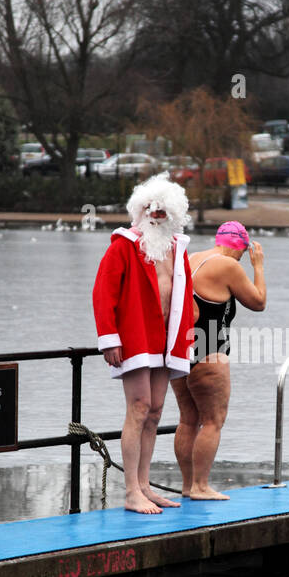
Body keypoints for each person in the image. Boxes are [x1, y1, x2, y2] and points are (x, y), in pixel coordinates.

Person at [93, 174, 195, 514]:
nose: (154, 215)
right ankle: (131, 491)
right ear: (139, 210)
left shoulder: (178, 248)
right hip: (134, 339)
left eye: (162, 211)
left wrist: (186, 340)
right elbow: (103, 293)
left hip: (165, 342)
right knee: (138, 408)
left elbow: (184, 300)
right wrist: (109, 338)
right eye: (148, 208)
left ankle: (146, 485)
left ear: (173, 214)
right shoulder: (124, 244)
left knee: (154, 413)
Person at [171, 221, 266, 500]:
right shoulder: (229, 265)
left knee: (188, 419)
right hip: (210, 353)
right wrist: (258, 266)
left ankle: (188, 486)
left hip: (181, 353)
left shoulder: (191, 258)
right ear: (240, 247)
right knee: (213, 420)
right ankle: (201, 486)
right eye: (244, 253)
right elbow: (259, 302)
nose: (243, 259)